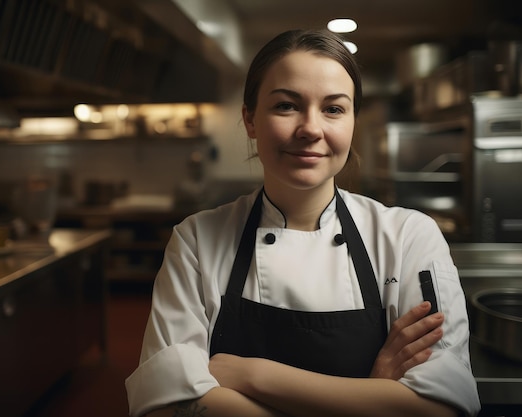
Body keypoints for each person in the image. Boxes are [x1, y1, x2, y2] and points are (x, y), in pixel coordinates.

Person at [125, 29, 480, 417]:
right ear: (250, 120)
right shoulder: (195, 240)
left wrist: (252, 375)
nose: (311, 128)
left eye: (333, 109)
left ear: (351, 122)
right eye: (286, 106)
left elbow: (444, 406)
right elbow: (165, 404)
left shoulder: (409, 236)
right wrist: (371, 396)